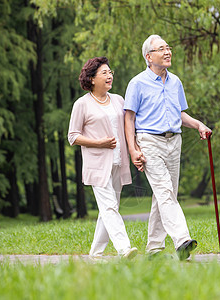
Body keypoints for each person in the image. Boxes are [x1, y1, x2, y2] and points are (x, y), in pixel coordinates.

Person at [124, 35, 212, 260]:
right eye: (161, 49)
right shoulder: (137, 83)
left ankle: (154, 247)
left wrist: (198, 124)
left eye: (168, 48)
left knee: (165, 195)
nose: (167, 52)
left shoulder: (175, 82)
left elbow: (179, 114)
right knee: (164, 192)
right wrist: (133, 150)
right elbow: (129, 119)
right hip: (149, 141)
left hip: (174, 142)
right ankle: (182, 239)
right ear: (148, 56)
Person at [68, 57, 138, 260]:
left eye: (110, 72)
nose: (109, 76)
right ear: (91, 79)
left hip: (119, 162)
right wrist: (99, 143)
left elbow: (128, 128)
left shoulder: (118, 100)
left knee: (109, 208)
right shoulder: (82, 104)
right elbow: (72, 136)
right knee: (108, 207)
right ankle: (124, 248)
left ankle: (96, 253)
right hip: (97, 164)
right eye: (104, 73)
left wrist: (135, 149)